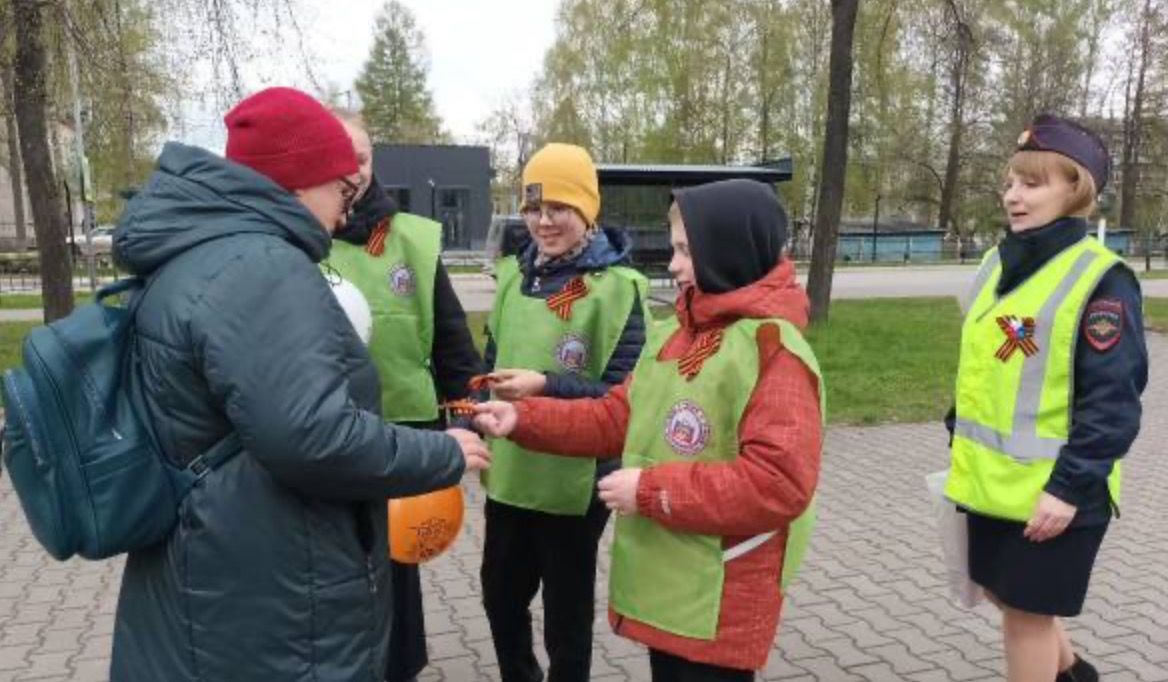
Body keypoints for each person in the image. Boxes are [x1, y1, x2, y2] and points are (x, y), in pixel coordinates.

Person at [107, 86, 490, 682]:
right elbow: (312, 437)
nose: (344, 209)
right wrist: (440, 452)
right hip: (272, 587)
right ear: (297, 181)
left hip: (213, 561)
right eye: (339, 188)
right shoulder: (263, 268)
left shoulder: (202, 252)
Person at [475, 178, 823, 681]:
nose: (674, 264)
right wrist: (522, 419)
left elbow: (779, 483)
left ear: (727, 250)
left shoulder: (774, 351)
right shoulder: (679, 335)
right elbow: (615, 416)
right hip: (675, 585)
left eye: (685, 250)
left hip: (720, 596)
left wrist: (650, 489)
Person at [944, 113, 1148, 682]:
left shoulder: (1102, 280)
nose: (1013, 196)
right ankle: (1076, 675)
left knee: (1026, 620)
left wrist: (1067, 488)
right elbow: (990, 362)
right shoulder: (996, 263)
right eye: (1011, 182)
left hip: (1058, 495)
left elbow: (1113, 403)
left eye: (1033, 184)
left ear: (1076, 189)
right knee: (998, 593)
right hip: (991, 481)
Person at [478, 143, 649, 682]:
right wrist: (470, 423)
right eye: (533, 208)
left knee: (565, 618)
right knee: (500, 597)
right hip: (511, 473)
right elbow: (490, 364)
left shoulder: (619, 291)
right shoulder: (511, 276)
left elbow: (623, 397)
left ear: (587, 211)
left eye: (559, 208)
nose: (543, 222)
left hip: (575, 482)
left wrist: (545, 384)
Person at [329, 111, 485, 682]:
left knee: (398, 567)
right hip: (326, 434)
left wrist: (468, 418)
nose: (354, 170)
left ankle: (399, 665)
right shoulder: (297, 235)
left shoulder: (412, 239)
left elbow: (450, 337)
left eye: (363, 157)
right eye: (342, 157)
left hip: (407, 435)